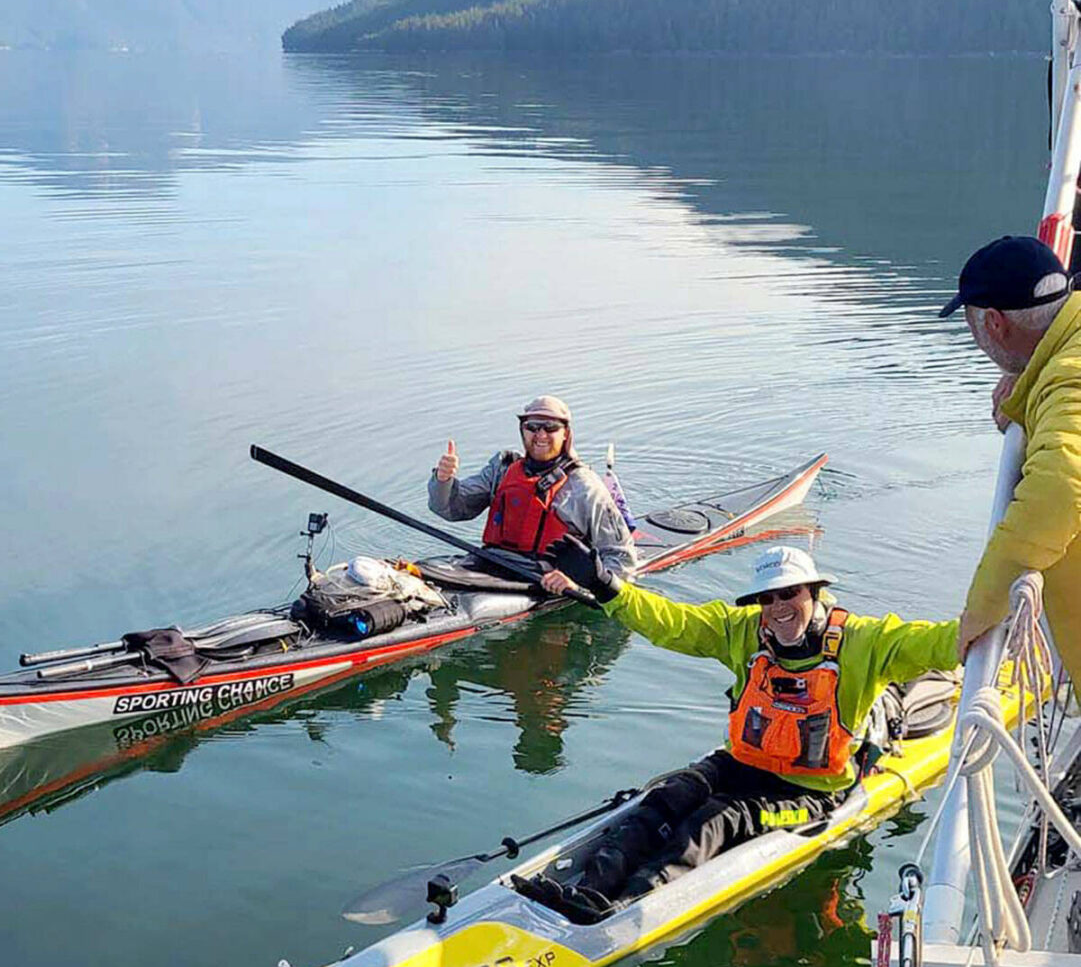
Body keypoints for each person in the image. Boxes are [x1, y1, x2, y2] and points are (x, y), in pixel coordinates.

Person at [525, 544, 959, 921]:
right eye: (767, 598)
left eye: (790, 593)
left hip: (813, 800)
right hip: (739, 766)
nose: (779, 607)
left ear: (814, 592)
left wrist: (1002, 612)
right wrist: (609, 589)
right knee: (666, 799)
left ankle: (628, 908)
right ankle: (591, 891)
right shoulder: (743, 631)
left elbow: (941, 642)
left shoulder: (865, 642)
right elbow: (672, 622)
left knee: (720, 820)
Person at [941, 234, 1081, 688]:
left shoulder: (1066, 378)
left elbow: (1059, 488)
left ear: (994, 323)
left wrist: (981, 609)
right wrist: (1023, 385)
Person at [428, 394, 638, 590]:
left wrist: (579, 584)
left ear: (566, 433)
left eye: (550, 427)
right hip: (491, 561)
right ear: (522, 430)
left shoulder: (584, 486)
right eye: (532, 427)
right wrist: (443, 480)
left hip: (546, 579)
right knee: (418, 570)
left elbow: (621, 558)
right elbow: (452, 509)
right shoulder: (502, 468)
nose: (540, 435)